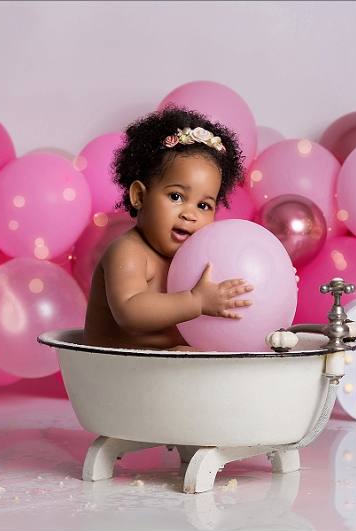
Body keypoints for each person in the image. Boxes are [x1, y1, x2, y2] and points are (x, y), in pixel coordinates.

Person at [83, 105, 253, 350]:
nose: (189, 214)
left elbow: (229, 291)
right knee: (191, 357)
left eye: (203, 205)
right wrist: (196, 301)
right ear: (140, 196)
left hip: (165, 365)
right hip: (115, 366)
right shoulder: (129, 251)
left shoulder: (196, 256)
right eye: (176, 196)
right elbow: (130, 311)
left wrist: (268, 282)